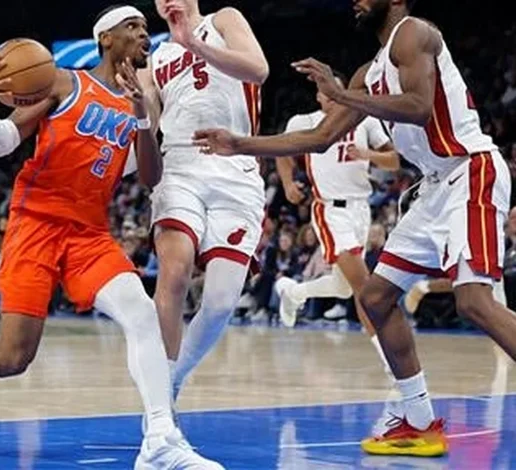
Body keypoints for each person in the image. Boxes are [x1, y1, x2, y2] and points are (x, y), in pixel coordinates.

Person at [0, 6, 222, 468]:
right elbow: (0, 144)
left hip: (89, 233)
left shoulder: (143, 102)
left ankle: (160, 439)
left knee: (141, 313)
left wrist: (141, 117)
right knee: (13, 357)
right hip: (36, 224)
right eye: (132, 26)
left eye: (144, 28)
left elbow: (150, 176)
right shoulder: (63, 83)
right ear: (105, 38)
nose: (143, 34)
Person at [193, 0, 516, 457]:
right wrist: (240, 144)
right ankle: (419, 420)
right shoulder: (369, 72)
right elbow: (321, 137)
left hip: (470, 171)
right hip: (434, 188)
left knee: (474, 302)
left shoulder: (414, 32)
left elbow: (419, 107)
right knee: (375, 297)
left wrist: (342, 95)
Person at [142, 0, 269, 411]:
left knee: (219, 303)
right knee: (174, 273)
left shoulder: (225, 19)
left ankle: (174, 379)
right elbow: (150, 121)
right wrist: (136, 101)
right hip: (179, 167)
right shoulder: (155, 57)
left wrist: (194, 45)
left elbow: (258, 70)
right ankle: (160, 401)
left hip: (235, 167)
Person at [273, 71, 399, 378]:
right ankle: (391, 360)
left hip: (361, 211)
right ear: (318, 96)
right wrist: (288, 183)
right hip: (331, 211)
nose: (329, 96)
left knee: (343, 289)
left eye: (334, 91)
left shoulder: (365, 120)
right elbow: (281, 151)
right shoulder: (304, 122)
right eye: (324, 92)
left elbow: (394, 161)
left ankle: (294, 292)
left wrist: (367, 154)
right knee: (364, 287)